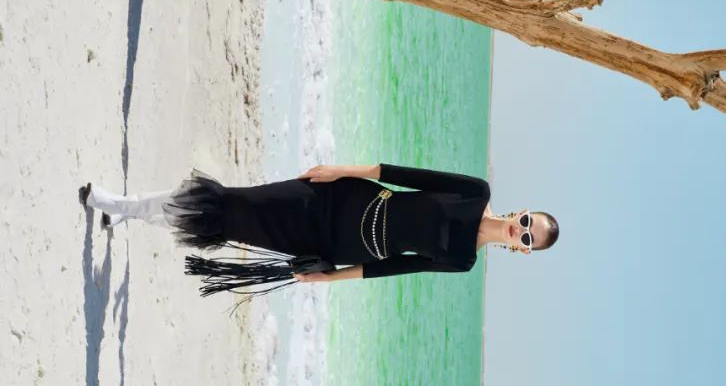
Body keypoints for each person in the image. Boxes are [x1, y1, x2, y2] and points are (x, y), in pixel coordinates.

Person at [78, 164, 559, 295]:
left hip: (333, 245)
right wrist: (340, 170)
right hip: (338, 199)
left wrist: (331, 278)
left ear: (523, 251)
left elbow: (392, 269)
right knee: (231, 201)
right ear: (521, 211)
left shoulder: (462, 261)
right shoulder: (475, 191)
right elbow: (405, 175)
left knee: (229, 224)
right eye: (526, 222)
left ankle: (129, 212)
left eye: (527, 238)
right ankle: (124, 206)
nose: (519, 231)